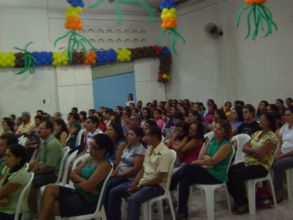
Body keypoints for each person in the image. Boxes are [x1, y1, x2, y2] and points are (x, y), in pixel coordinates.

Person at [39, 134, 113, 220]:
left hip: (88, 201)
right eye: (91, 145)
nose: (90, 149)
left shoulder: (105, 165)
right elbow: (72, 174)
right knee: (50, 188)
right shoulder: (90, 158)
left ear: (103, 150)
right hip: (78, 192)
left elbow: (86, 187)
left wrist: (81, 183)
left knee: (49, 207)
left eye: (94, 147)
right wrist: (86, 185)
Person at [170, 120, 233, 219]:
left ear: (225, 133)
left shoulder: (226, 145)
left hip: (216, 175)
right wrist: (206, 159)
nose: (215, 130)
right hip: (207, 170)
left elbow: (211, 161)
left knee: (187, 167)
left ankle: (168, 188)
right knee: (184, 179)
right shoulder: (212, 140)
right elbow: (203, 156)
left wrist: (197, 162)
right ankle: (182, 212)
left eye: (219, 129)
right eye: (215, 127)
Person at [108, 126, 173, 220]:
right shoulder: (149, 148)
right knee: (114, 192)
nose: (144, 138)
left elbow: (158, 179)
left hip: (157, 186)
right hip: (143, 182)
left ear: (154, 137)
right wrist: (134, 183)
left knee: (133, 199)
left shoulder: (165, 153)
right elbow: (143, 169)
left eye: (147, 135)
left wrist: (139, 186)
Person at [227, 113, 277, 214]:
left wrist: (250, 150)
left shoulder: (272, 138)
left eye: (263, 120)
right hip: (249, 162)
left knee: (237, 175)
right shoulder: (257, 133)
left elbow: (261, 154)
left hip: (261, 166)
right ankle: (240, 199)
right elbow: (244, 147)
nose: (260, 122)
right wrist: (253, 150)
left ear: (269, 123)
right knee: (229, 171)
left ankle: (242, 203)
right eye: (260, 119)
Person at [105, 127, 146, 217]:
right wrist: (115, 171)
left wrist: (121, 174)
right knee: (104, 184)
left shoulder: (141, 149)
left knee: (109, 187)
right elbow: (120, 161)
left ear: (139, 137)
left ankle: (112, 216)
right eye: (128, 134)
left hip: (128, 177)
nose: (129, 137)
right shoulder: (128, 146)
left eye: (132, 135)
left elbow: (135, 169)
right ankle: (106, 213)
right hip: (120, 174)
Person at [29, 120, 63, 189]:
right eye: (39, 128)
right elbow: (38, 160)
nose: (38, 130)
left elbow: (49, 167)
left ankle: (32, 199)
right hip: (44, 171)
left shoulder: (52, 144)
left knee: (30, 182)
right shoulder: (43, 141)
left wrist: (35, 174)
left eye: (41, 128)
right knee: (27, 178)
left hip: (52, 174)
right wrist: (32, 173)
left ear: (49, 130)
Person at [0, 144, 30, 220]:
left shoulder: (20, 175)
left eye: (8, 156)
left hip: (8, 212)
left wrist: (2, 194)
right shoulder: (10, 168)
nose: (4, 158)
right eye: (5, 155)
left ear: (18, 159)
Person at [273, 106, 293, 201]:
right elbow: (279, 142)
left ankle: (279, 192)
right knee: (269, 161)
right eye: (285, 115)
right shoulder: (284, 127)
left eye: (289, 115)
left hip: (291, 155)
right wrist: (277, 153)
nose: (286, 117)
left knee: (278, 165)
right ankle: (269, 189)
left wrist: (281, 156)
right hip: (283, 153)